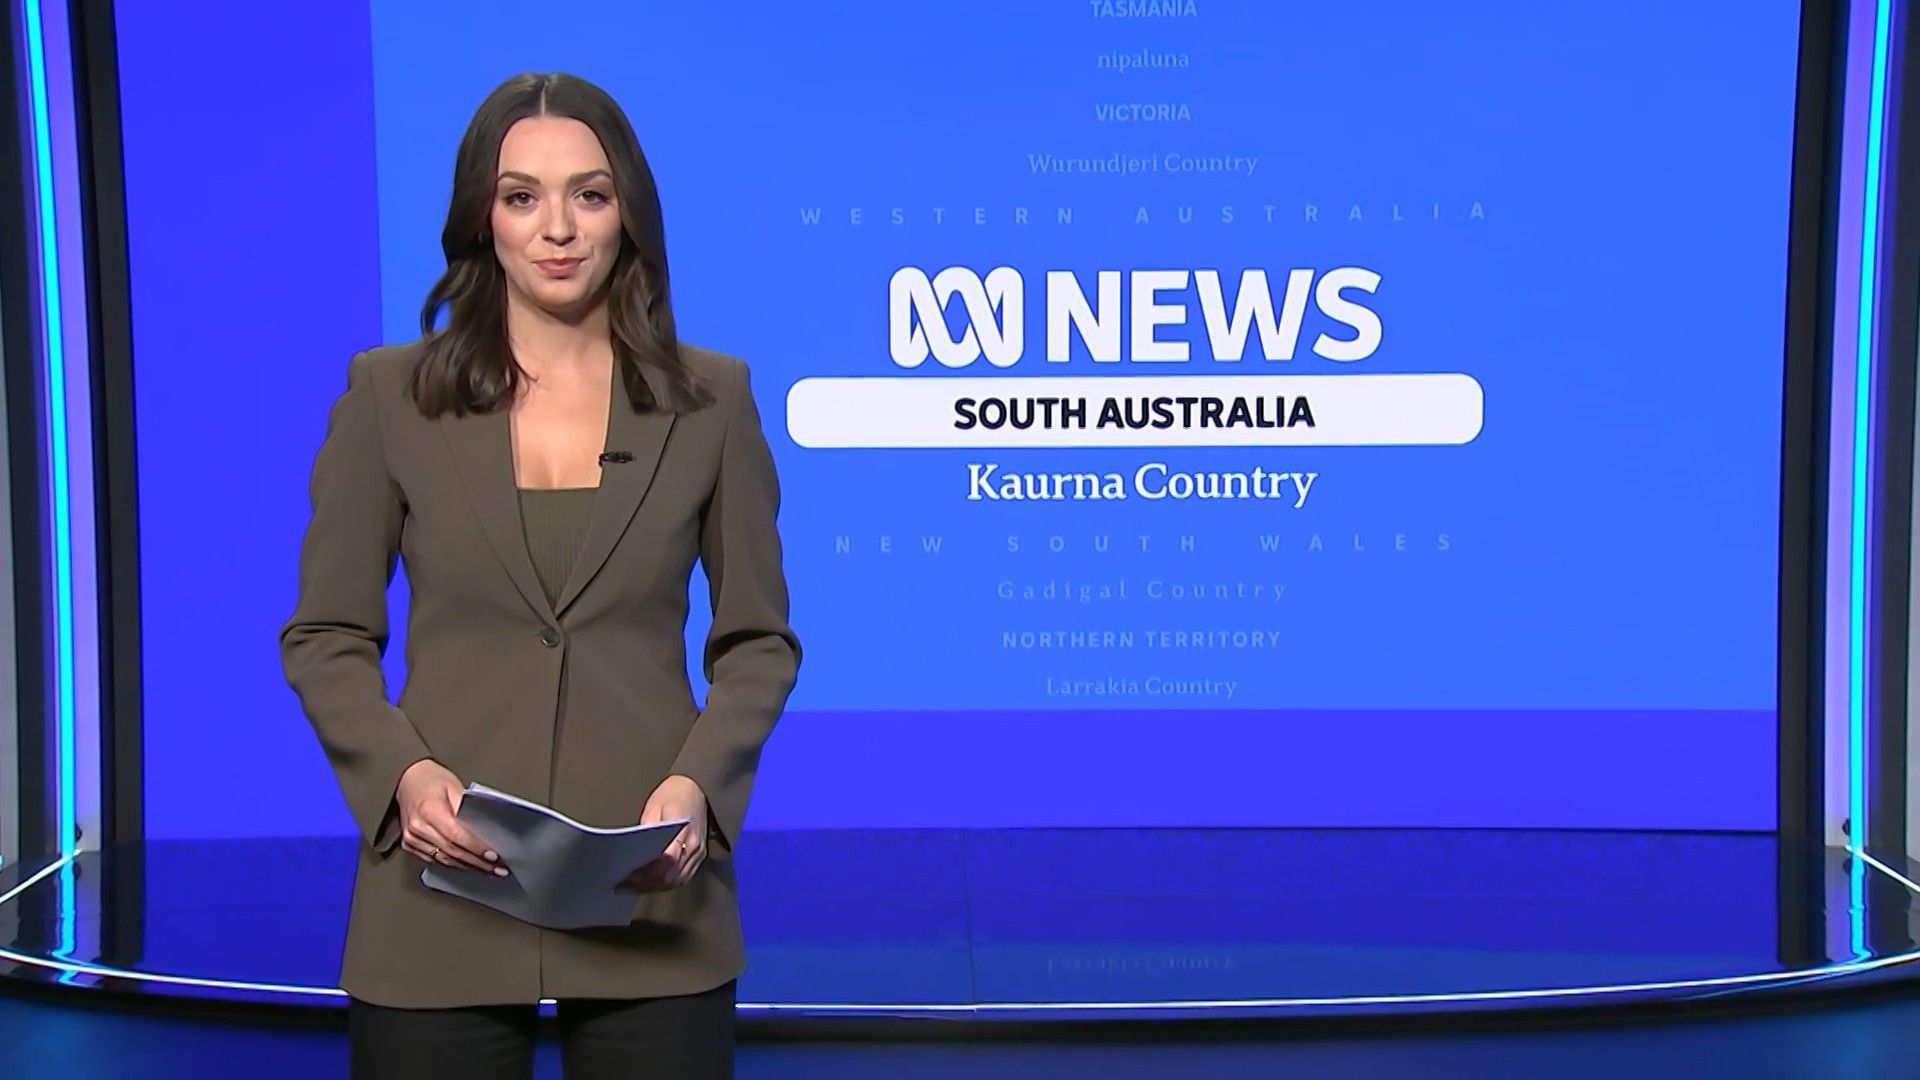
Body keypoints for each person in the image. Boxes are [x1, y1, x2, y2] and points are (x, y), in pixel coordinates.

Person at [278, 71, 799, 1079]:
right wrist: (401, 778)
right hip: (440, 888)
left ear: (627, 212)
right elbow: (325, 636)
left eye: (588, 195)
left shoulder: (712, 400)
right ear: (485, 217)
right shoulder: (390, 397)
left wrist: (699, 784)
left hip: (648, 888)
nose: (558, 228)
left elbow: (757, 643)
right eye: (522, 196)